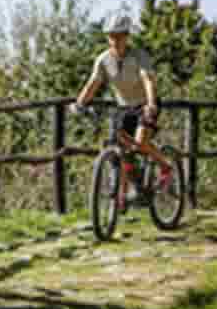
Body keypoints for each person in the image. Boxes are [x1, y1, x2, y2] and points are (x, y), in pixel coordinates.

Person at [74, 12, 174, 206]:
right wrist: (79, 104)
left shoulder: (139, 56)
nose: (115, 40)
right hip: (124, 107)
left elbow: (147, 80)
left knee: (139, 143)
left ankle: (165, 166)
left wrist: (151, 104)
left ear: (127, 36)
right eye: (111, 35)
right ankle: (125, 192)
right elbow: (92, 84)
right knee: (118, 146)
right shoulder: (103, 60)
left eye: (120, 35)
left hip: (145, 105)